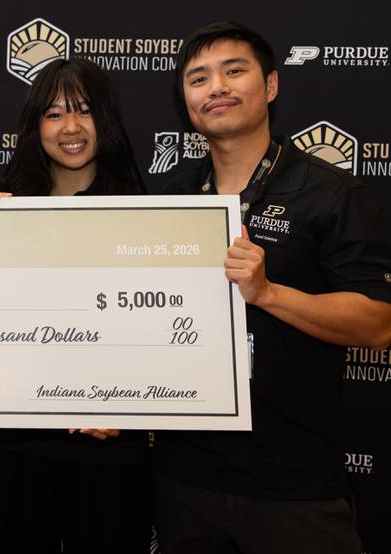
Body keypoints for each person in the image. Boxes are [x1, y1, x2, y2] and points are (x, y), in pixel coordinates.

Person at [152, 21, 391, 554]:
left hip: (294, 485)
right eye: (198, 78)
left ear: (272, 85)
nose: (216, 87)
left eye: (233, 71)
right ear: (186, 101)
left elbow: (378, 324)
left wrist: (267, 293)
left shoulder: (333, 194)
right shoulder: (172, 198)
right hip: (185, 479)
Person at [0, 58, 151, 553]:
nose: (70, 128)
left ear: (107, 120)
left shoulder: (148, 213)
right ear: (36, 127)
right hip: (18, 443)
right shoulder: (2, 207)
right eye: (54, 115)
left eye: (84, 112)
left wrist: (132, 404)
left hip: (110, 448)